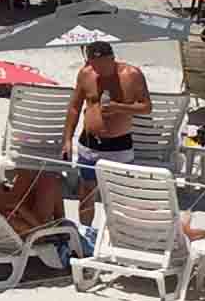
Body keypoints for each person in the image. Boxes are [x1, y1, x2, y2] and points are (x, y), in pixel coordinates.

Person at [64, 40, 150, 229]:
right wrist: (67, 139)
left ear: (112, 58)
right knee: (86, 191)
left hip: (119, 144)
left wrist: (119, 107)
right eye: (94, 65)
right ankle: (86, 232)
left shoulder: (132, 75)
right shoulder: (86, 74)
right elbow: (74, 107)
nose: (98, 70)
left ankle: (122, 234)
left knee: (121, 193)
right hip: (89, 143)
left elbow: (146, 107)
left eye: (102, 65)